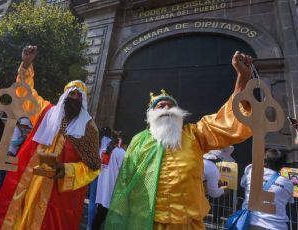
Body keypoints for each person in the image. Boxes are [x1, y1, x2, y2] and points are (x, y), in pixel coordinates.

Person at [104, 51, 253, 230]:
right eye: (161, 106)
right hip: (147, 222)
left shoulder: (196, 134)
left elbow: (228, 120)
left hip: (187, 224)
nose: (167, 108)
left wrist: (242, 78)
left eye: (171, 106)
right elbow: (126, 181)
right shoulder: (139, 141)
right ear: (151, 115)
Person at [0, 45, 101, 230]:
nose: (74, 98)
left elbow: (93, 166)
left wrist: (67, 170)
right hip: (29, 182)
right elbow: (25, 93)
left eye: (78, 96)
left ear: (83, 101)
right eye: (70, 94)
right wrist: (25, 64)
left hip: (58, 192)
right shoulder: (47, 112)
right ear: (64, 96)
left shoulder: (88, 127)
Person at [0, 117, 33, 203]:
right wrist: (23, 139)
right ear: (22, 125)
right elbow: (13, 143)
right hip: (8, 154)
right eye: (25, 126)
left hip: (8, 154)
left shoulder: (16, 129)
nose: (26, 128)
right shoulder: (16, 130)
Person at [240, 149, 294, 230]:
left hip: (253, 223)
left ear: (264, 161)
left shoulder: (251, 171)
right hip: (278, 226)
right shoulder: (288, 183)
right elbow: (290, 200)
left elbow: (242, 184)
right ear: (282, 165)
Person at [92, 136, 126, 230]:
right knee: (109, 220)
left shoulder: (103, 150)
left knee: (99, 216)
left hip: (102, 189)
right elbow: (124, 172)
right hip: (112, 191)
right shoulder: (121, 152)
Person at [88, 126, 112, 230]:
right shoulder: (112, 144)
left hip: (95, 173)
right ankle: (97, 224)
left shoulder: (96, 141)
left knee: (92, 200)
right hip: (106, 176)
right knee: (103, 202)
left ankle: (89, 226)